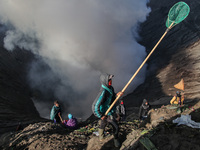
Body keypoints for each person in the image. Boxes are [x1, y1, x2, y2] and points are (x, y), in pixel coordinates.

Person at [92, 73, 123, 147]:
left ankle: (104, 137)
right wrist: (100, 115)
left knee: (103, 123)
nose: (111, 81)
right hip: (105, 112)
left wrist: (116, 95)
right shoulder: (103, 92)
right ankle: (112, 139)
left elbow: (112, 98)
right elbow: (95, 106)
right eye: (109, 80)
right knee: (115, 127)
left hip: (109, 110)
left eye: (111, 79)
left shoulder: (111, 88)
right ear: (105, 81)